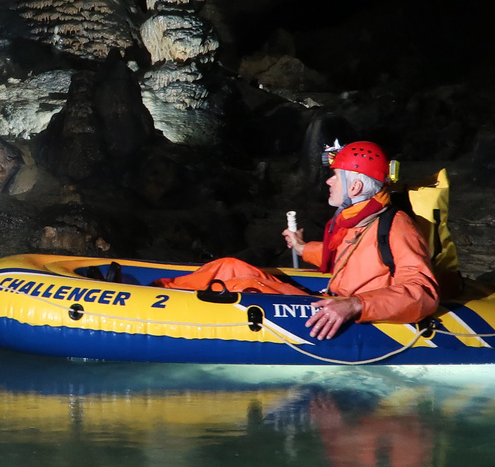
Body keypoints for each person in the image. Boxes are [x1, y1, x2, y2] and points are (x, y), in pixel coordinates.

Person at [152, 141, 440, 340]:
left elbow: (422, 292)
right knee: (228, 266)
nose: (328, 182)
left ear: (354, 185)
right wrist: (303, 248)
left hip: (345, 309)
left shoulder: (396, 226)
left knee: (243, 286)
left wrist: (355, 305)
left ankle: (162, 312)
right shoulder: (359, 218)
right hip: (329, 300)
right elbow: (341, 256)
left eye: (334, 177)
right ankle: (153, 293)